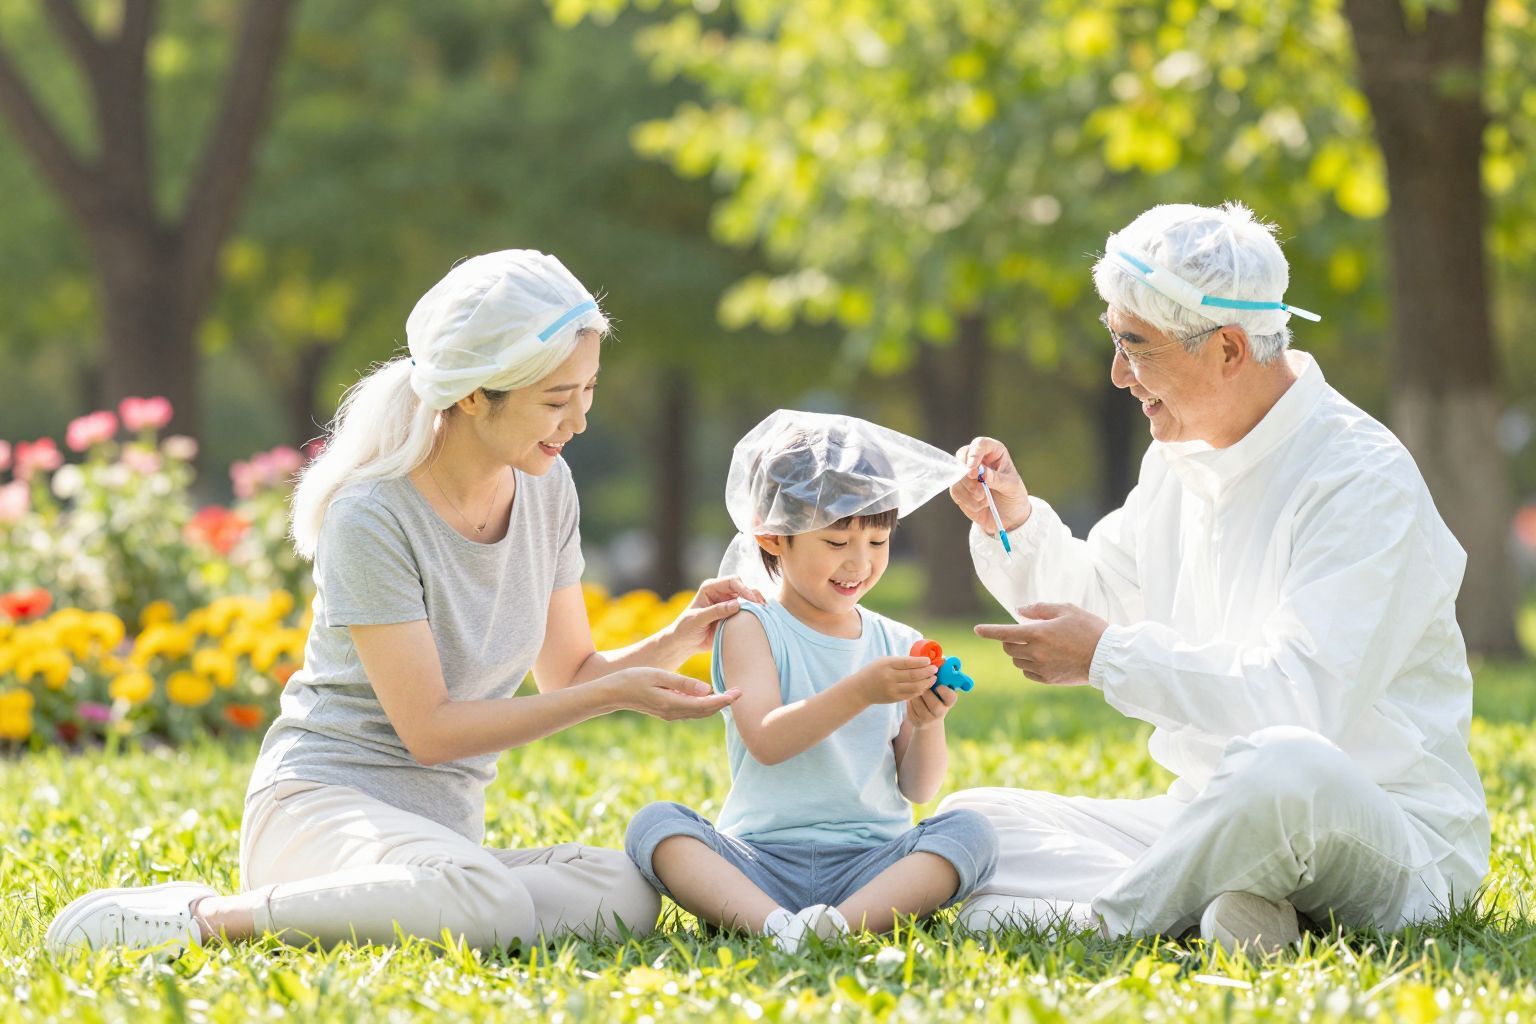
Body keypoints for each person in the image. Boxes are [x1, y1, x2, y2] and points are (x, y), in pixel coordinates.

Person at [46, 250, 755, 956]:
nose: (579, 419)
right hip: (318, 814)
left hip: (439, 844)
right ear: (473, 394)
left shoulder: (549, 488)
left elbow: (569, 674)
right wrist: (614, 697)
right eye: (554, 399)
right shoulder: (372, 515)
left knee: (621, 890)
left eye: (588, 389)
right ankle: (202, 918)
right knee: (487, 902)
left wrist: (674, 640)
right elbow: (432, 732)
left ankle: (447, 897)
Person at [941, 202, 1490, 954]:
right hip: (1208, 815)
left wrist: (1106, 657)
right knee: (977, 821)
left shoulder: (1361, 479)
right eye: (1115, 341)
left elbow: (1298, 702)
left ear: (1229, 348)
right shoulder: (1179, 459)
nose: (1117, 374)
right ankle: (1229, 911)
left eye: (1135, 346)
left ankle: (1107, 924)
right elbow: (1098, 600)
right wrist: (1012, 519)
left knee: (1282, 765)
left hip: (1380, 829)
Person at [625, 412, 998, 953]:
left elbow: (918, 789)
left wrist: (927, 723)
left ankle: (836, 926)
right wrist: (862, 691)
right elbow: (768, 741)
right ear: (772, 537)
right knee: (656, 826)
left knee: (971, 832)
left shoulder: (899, 640)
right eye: (836, 541)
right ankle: (778, 925)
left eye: (878, 540)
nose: (860, 563)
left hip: (871, 866)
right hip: (760, 862)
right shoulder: (751, 625)